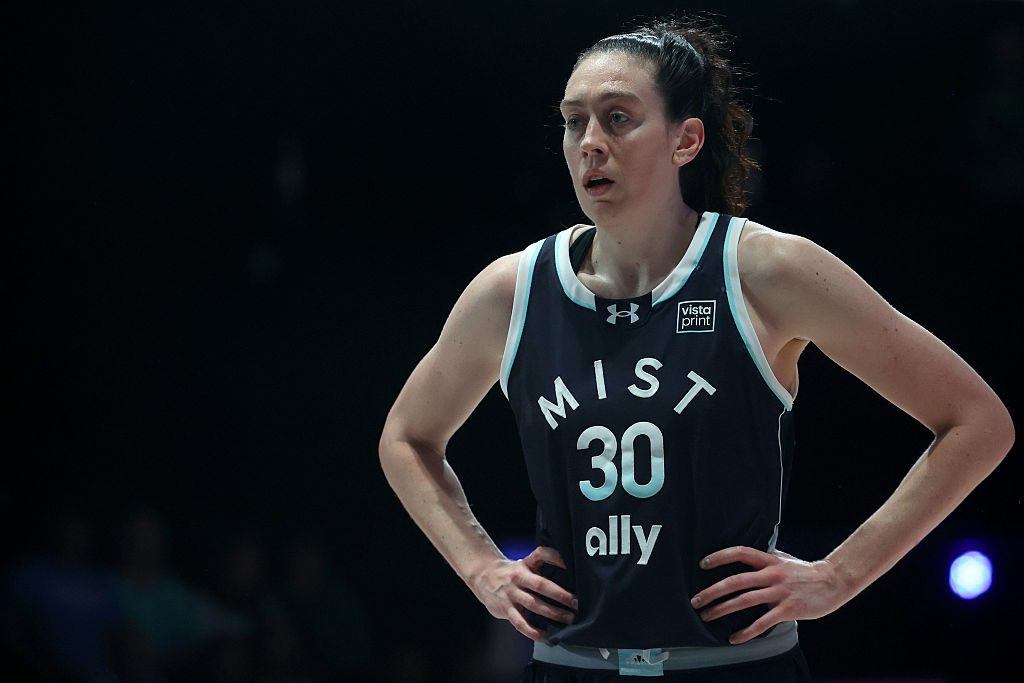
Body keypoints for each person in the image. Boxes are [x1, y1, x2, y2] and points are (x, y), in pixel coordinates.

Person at [378, 13, 1014, 682]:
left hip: (736, 666)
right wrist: (480, 567)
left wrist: (841, 574)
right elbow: (406, 437)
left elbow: (977, 420)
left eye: (617, 118)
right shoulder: (512, 290)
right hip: (568, 665)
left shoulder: (764, 272)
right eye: (574, 122)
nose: (589, 142)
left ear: (686, 140)